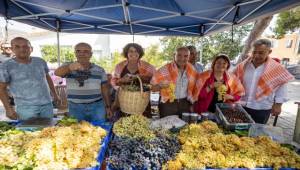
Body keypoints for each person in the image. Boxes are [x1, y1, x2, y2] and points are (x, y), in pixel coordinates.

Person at [234, 39, 294, 124]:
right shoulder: (243, 65)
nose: (256, 55)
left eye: (261, 53)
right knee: (238, 132)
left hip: (262, 108)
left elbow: (281, 86)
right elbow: (232, 79)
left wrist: (278, 105)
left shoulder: (276, 68)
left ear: (269, 52)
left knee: (257, 134)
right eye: (254, 52)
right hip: (242, 105)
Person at [0, 37, 59, 120]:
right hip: (25, 108)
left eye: (25, 46)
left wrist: (55, 95)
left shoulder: (40, 61)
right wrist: (8, 109)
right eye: (17, 47)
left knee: (48, 130)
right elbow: (1, 88)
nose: (22, 49)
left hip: (47, 105)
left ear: (31, 49)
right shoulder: (6, 66)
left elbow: (47, 77)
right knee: (28, 132)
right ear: (12, 49)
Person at [55, 42, 112, 122]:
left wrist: (108, 107)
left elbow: (105, 89)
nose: (82, 54)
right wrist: (70, 67)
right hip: (75, 107)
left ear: (91, 54)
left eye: (86, 51)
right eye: (78, 51)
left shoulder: (99, 69)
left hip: (97, 106)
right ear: (75, 53)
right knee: (77, 132)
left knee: (99, 129)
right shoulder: (68, 65)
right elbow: (57, 73)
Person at [151, 47, 199, 118]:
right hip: (168, 104)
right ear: (174, 55)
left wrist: (192, 103)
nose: (182, 58)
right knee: (167, 127)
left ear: (189, 57)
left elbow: (195, 88)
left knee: (184, 126)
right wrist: (160, 86)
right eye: (179, 55)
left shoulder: (192, 70)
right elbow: (152, 88)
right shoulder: (164, 69)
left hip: (185, 104)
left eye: (186, 56)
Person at [111, 43, 155, 117]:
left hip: (141, 100)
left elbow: (154, 80)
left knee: (141, 122)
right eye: (131, 51)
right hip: (124, 100)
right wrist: (122, 80)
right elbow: (114, 82)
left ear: (140, 53)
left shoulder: (147, 66)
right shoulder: (120, 66)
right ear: (126, 53)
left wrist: (142, 77)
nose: (133, 53)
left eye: (136, 51)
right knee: (124, 122)